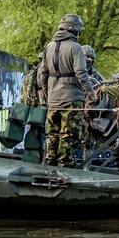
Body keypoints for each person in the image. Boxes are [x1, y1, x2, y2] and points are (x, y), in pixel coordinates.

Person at [37, 14, 96, 167]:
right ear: (74, 30)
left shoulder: (49, 47)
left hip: (53, 99)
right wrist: (91, 93)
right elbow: (81, 74)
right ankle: (65, 165)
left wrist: (47, 92)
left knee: (52, 134)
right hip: (72, 98)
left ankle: (50, 162)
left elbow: (42, 74)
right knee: (68, 135)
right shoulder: (75, 48)